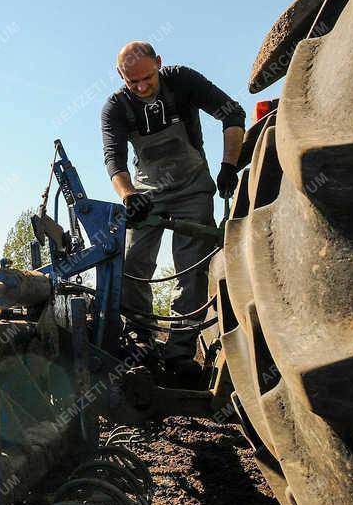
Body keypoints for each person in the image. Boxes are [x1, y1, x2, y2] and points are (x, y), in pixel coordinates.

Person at [101, 41, 245, 375]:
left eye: (146, 78)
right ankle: (141, 343)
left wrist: (228, 165)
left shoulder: (182, 81)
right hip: (147, 193)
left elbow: (232, 112)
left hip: (193, 188)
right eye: (131, 81)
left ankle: (180, 354)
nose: (140, 87)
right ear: (120, 76)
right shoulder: (116, 107)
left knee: (192, 270)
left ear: (159, 64)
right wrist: (128, 196)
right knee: (131, 265)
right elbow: (114, 159)